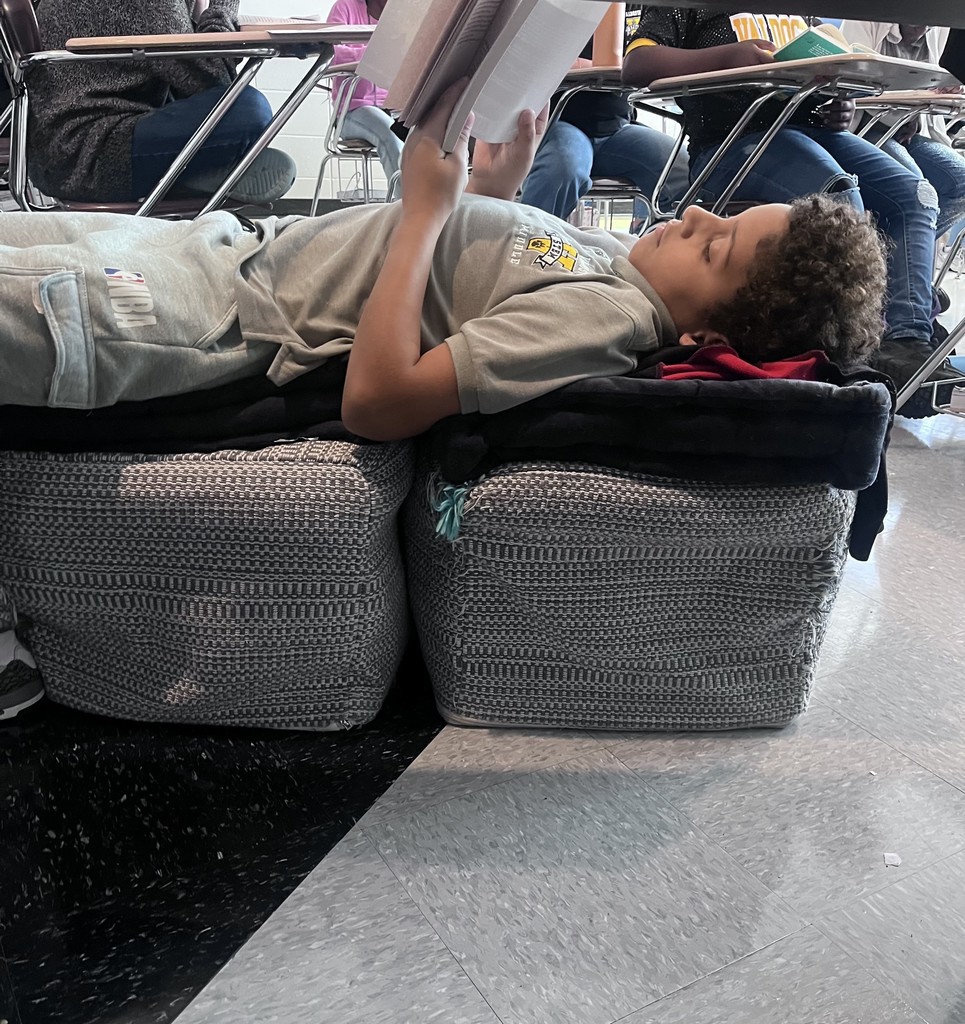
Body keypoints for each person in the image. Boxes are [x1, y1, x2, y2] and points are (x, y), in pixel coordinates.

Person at [0, 80, 885, 440]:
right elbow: (490, 271)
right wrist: (489, 190)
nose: (694, 212)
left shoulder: (608, 320)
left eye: (717, 245)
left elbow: (379, 404)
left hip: (204, 318)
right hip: (214, 252)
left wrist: (426, 214)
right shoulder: (612, 266)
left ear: (710, 324)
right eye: (718, 213)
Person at [622, 7, 958, 417]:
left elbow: (823, 70)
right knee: (837, 199)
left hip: (809, 130)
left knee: (915, 192)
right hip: (735, 143)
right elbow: (636, 66)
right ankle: (853, 354)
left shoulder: (800, 10)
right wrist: (725, 56)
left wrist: (837, 107)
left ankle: (906, 342)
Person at [28, 0, 296, 205]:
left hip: (74, 147)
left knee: (236, 107)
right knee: (247, 109)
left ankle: (185, 172)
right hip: (88, 154)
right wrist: (222, 8)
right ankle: (186, 175)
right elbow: (214, 79)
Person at [519, 3, 689, 227]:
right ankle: (527, 242)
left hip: (616, 129)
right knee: (563, 166)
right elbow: (523, 52)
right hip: (558, 121)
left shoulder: (640, 8)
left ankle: (663, 245)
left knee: (684, 168)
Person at [840, 21, 965, 240]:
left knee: (961, 181)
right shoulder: (862, 18)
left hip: (909, 128)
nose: (922, 29)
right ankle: (891, 258)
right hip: (864, 126)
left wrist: (948, 88)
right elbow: (847, 82)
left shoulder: (942, 27)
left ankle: (893, 257)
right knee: (918, 192)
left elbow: (941, 81)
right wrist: (911, 99)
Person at [327, 0, 406, 190]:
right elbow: (330, 52)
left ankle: (441, 208)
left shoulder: (403, 15)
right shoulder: (345, 6)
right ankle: (406, 209)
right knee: (390, 133)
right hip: (352, 111)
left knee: (431, 134)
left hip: (396, 107)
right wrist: (374, 53)